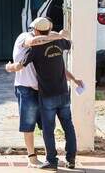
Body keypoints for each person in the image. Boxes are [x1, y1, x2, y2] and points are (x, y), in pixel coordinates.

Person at [6, 17, 82, 171]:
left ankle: (51, 161)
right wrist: (60, 35)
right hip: (62, 93)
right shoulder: (57, 42)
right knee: (68, 125)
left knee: (48, 129)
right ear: (48, 30)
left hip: (47, 95)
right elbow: (68, 43)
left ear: (36, 30)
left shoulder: (36, 49)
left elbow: (21, 65)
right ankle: (71, 159)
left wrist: (9, 67)